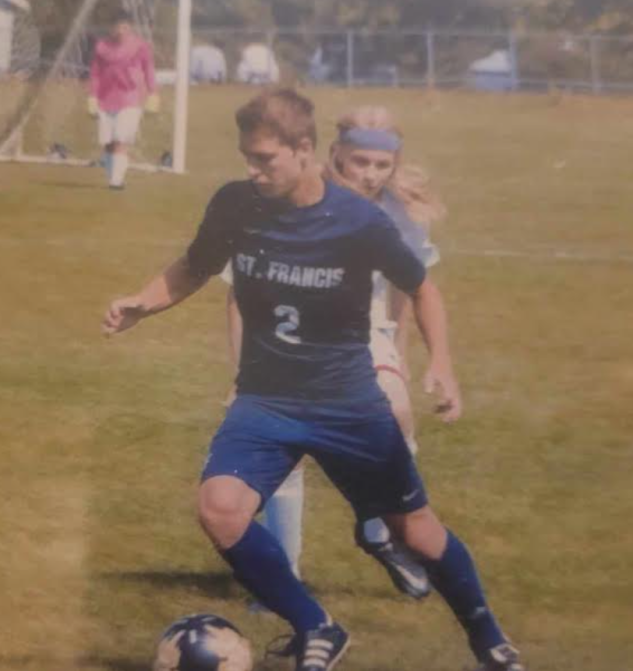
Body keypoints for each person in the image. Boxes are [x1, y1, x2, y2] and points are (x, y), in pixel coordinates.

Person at [102, 89, 523, 671]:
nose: (253, 169)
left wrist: (442, 364)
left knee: (419, 534)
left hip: (347, 403)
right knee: (220, 507)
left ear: (303, 151)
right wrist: (141, 303)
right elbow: (195, 267)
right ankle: (316, 625)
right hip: (266, 401)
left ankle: (490, 642)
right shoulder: (235, 204)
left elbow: (422, 286)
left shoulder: (358, 221)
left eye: (265, 159)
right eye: (249, 156)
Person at [222, 105, 447, 602]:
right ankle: (281, 580)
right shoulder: (289, 197)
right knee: (286, 456)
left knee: (396, 412)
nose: (369, 174)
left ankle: (378, 528)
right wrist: (240, 373)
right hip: (281, 339)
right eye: (358, 161)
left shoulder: (396, 213)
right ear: (333, 154)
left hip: (358, 332)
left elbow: (407, 289)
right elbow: (239, 295)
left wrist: (404, 352)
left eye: (380, 165)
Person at [86, 10, 158, 190]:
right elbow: (95, 73)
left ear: (130, 27)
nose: (120, 30)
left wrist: (153, 93)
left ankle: (116, 182)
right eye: (117, 27)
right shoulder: (101, 46)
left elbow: (148, 69)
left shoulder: (140, 46)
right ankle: (113, 178)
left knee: (120, 140)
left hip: (130, 99)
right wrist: (92, 96)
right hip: (105, 100)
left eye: (124, 26)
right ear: (111, 28)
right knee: (108, 143)